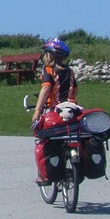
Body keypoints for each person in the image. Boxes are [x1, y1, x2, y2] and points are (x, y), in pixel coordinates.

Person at [31, 36, 79, 185]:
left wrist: (37, 111)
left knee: (45, 138)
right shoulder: (69, 71)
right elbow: (75, 89)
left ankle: (46, 175)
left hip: (54, 111)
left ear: (49, 55)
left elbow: (46, 88)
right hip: (72, 109)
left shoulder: (48, 70)